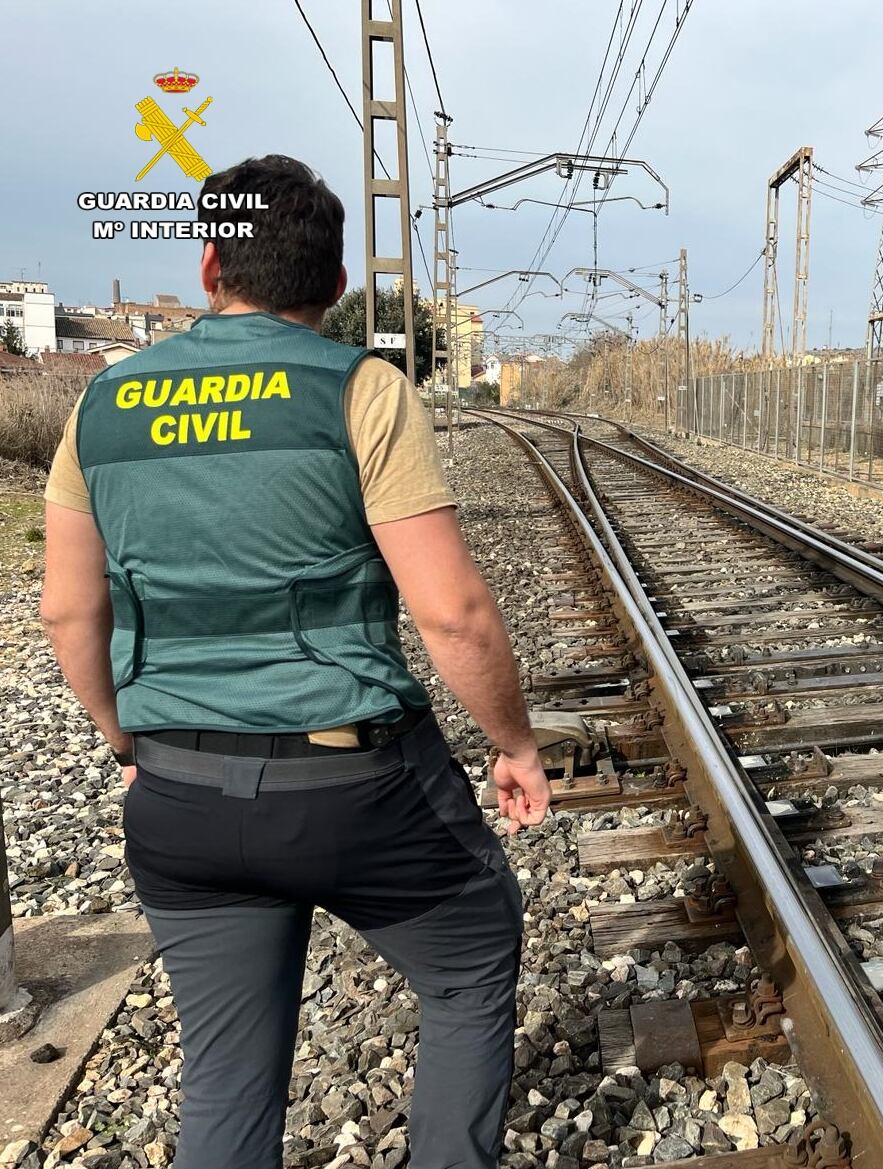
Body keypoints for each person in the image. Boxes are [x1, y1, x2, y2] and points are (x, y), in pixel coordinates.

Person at [40, 154, 550, 1169]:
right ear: (333, 283)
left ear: (208, 264)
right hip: (354, 785)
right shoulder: (360, 388)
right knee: (471, 955)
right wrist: (516, 742)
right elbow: (451, 614)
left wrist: (126, 742)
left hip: (179, 797)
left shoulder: (102, 404)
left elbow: (67, 609)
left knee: (225, 1075)